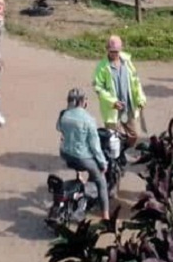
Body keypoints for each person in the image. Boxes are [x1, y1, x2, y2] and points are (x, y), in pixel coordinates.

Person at [57, 88, 109, 221]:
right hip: (82, 158)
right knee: (101, 180)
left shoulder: (64, 114)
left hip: (65, 154)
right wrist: (103, 163)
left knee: (84, 162)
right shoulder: (89, 119)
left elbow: (59, 128)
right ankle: (106, 217)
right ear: (82, 102)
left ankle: (80, 179)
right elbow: (95, 146)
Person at [93, 36, 145, 145]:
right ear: (107, 49)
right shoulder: (102, 67)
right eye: (111, 51)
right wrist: (113, 102)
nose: (114, 54)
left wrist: (140, 98)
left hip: (127, 106)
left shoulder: (127, 62)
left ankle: (123, 149)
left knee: (134, 134)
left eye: (116, 51)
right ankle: (116, 156)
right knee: (113, 139)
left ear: (120, 50)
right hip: (112, 109)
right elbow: (98, 88)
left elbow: (136, 81)